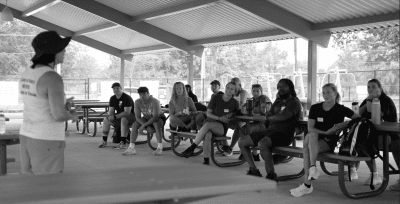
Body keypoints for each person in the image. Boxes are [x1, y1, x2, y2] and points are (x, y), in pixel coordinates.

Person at [19, 31, 78, 174]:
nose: (64, 51)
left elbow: (38, 100)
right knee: (49, 188)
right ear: (53, 51)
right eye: (61, 48)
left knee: (31, 185)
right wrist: (72, 115)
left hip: (27, 134)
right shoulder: (52, 77)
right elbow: (58, 115)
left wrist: (62, 102)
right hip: (47, 139)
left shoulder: (27, 72)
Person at [290, 83, 359, 197]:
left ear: (335, 93)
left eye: (328, 92)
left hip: (329, 141)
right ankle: (311, 171)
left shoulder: (340, 109)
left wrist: (344, 123)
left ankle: (308, 183)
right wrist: (326, 132)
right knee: (311, 136)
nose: (325, 95)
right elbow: (310, 128)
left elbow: (358, 119)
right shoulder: (315, 108)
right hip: (316, 138)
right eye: (323, 92)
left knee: (307, 146)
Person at [238, 78, 301, 180]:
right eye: (278, 86)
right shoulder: (278, 101)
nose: (279, 88)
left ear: (290, 87)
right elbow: (270, 113)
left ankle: (271, 175)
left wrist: (270, 118)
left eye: (283, 86)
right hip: (270, 131)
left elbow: (283, 117)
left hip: (284, 134)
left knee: (263, 143)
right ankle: (253, 170)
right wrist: (270, 117)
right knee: (242, 142)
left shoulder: (294, 102)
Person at [351, 79, 399, 189]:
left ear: (380, 88)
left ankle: (369, 172)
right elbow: (356, 114)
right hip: (373, 134)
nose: (370, 89)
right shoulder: (368, 99)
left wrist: (373, 100)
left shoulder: (386, 100)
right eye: (368, 87)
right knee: (358, 142)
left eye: (373, 87)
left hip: (389, 135)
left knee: (367, 143)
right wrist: (368, 99)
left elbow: (379, 115)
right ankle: (373, 173)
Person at [180, 82, 240, 165]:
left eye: (231, 89)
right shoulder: (216, 98)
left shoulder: (235, 102)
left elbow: (237, 113)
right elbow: (208, 113)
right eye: (228, 87)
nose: (228, 90)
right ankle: (206, 159)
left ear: (234, 92)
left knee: (207, 125)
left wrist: (231, 115)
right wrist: (219, 118)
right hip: (210, 121)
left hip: (221, 127)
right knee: (207, 134)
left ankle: (192, 148)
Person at [225, 84, 272, 158]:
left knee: (243, 130)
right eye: (253, 91)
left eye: (257, 91)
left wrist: (251, 110)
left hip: (265, 124)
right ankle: (253, 153)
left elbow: (264, 111)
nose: (255, 93)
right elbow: (243, 109)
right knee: (240, 128)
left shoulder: (264, 98)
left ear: (261, 92)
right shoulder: (251, 100)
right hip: (256, 122)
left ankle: (246, 152)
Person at [122, 87, 166, 156]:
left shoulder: (155, 101)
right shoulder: (137, 102)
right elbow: (137, 117)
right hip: (147, 118)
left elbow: (155, 117)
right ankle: (131, 148)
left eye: (144, 94)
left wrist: (144, 126)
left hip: (158, 118)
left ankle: (160, 147)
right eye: (140, 94)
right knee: (135, 125)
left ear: (148, 94)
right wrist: (144, 125)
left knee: (156, 124)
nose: (142, 96)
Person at [98, 82, 136, 149]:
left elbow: (127, 112)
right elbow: (111, 111)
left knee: (123, 119)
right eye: (114, 88)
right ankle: (104, 141)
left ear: (121, 88)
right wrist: (111, 116)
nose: (116, 90)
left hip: (131, 116)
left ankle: (123, 142)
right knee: (106, 119)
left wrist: (115, 117)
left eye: (117, 88)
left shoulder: (127, 98)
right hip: (120, 116)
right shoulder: (112, 98)